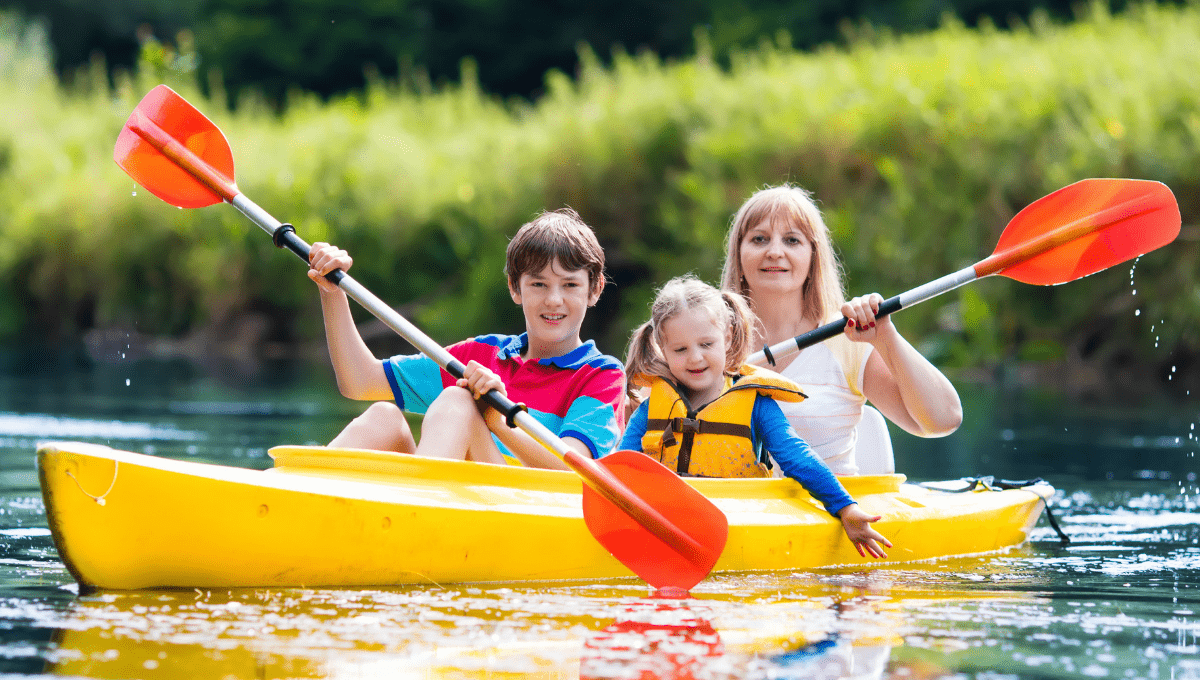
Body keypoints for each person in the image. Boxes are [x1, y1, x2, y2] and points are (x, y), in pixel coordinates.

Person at [306, 208, 626, 469]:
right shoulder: (482, 354)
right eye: (538, 284)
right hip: (461, 502)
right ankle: (300, 496)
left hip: (523, 514)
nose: (554, 299)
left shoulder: (602, 375)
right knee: (384, 416)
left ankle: (416, 514)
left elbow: (572, 470)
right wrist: (331, 292)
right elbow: (358, 381)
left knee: (458, 399)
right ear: (516, 288)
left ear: (594, 290)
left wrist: (496, 417)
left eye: (570, 285)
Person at [619, 275, 891, 558]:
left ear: (726, 338)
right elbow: (620, 467)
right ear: (663, 350)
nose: (695, 358)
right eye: (680, 349)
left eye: (706, 344)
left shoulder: (756, 403)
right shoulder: (651, 409)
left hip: (742, 524)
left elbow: (796, 456)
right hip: (670, 526)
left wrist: (846, 507)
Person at [720, 184, 963, 476]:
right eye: (759, 239)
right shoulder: (706, 341)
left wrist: (885, 337)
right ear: (739, 254)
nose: (774, 252)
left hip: (833, 513)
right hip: (735, 511)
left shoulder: (847, 340)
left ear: (813, 256)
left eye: (791, 240)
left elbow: (942, 420)